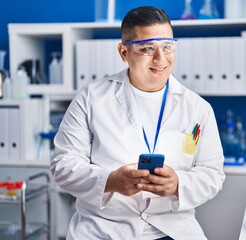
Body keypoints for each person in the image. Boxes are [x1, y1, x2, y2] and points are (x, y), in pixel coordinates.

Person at [50, 6, 225, 240]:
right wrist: (110, 181)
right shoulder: (91, 98)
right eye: (147, 48)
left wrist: (177, 184)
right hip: (103, 229)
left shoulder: (197, 108)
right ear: (124, 52)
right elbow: (63, 164)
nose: (160, 59)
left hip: (173, 229)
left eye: (168, 46)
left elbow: (213, 174)